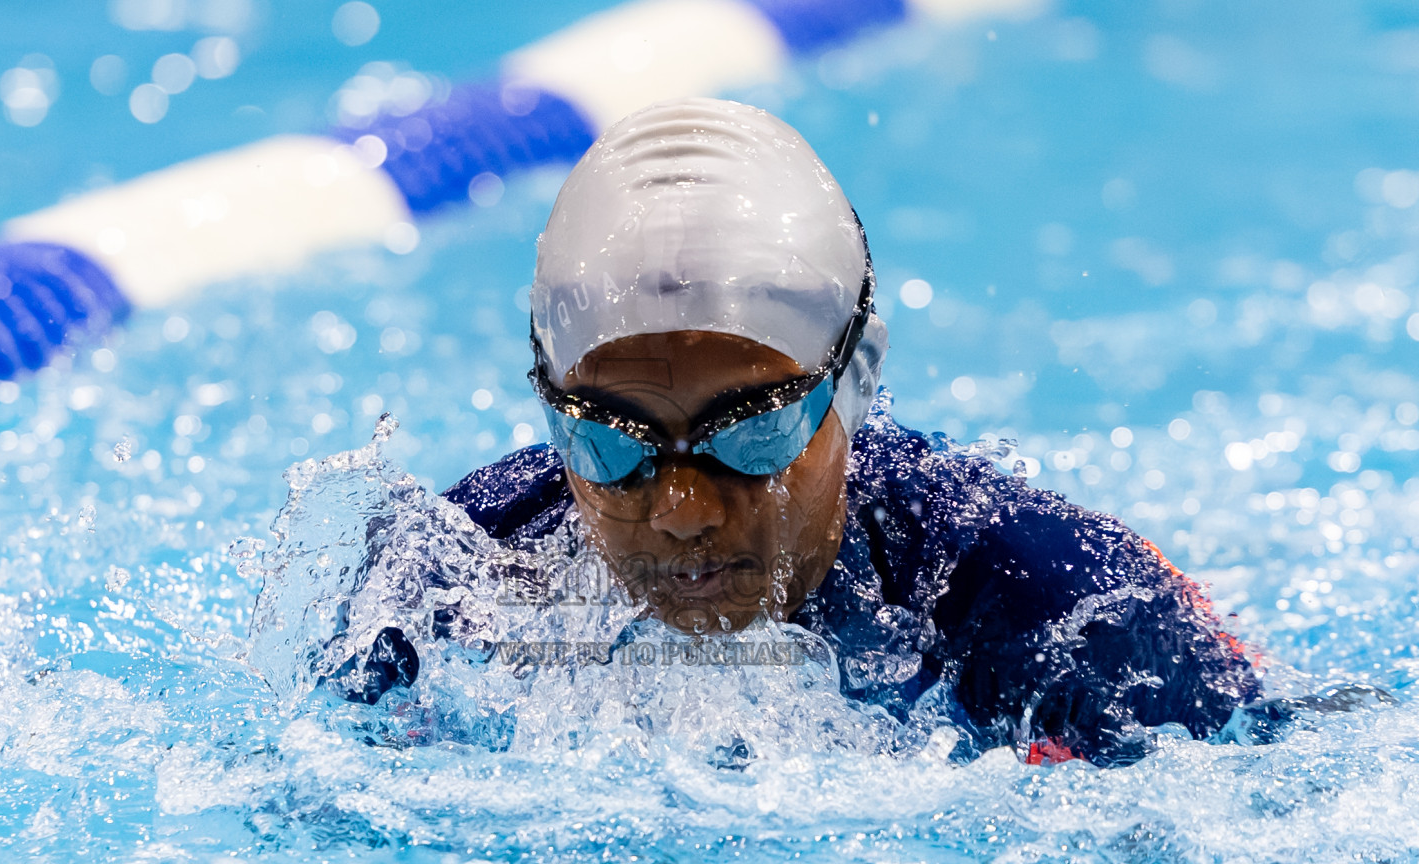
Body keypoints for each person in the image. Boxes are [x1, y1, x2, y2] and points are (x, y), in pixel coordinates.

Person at [333, 98, 1262, 767]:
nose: (683, 509)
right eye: (611, 441)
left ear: (852, 388)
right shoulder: (459, 573)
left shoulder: (1046, 602)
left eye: (752, 433)